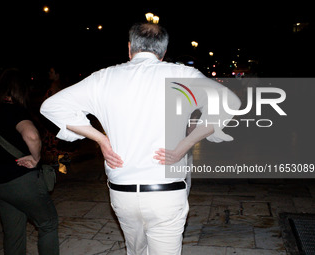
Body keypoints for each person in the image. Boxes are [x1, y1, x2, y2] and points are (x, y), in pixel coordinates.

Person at [40, 23, 240, 255]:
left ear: (129, 48)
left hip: (122, 192)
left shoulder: (103, 78)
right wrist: (184, 146)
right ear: (163, 52)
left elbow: (51, 107)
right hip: (166, 192)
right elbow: (230, 102)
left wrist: (100, 140)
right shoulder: (183, 75)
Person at [0, 68, 59, 255]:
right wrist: (36, 158)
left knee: (13, 232)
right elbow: (32, 136)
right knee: (48, 224)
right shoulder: (16, 111)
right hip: (21, 182)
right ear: (22, 89)